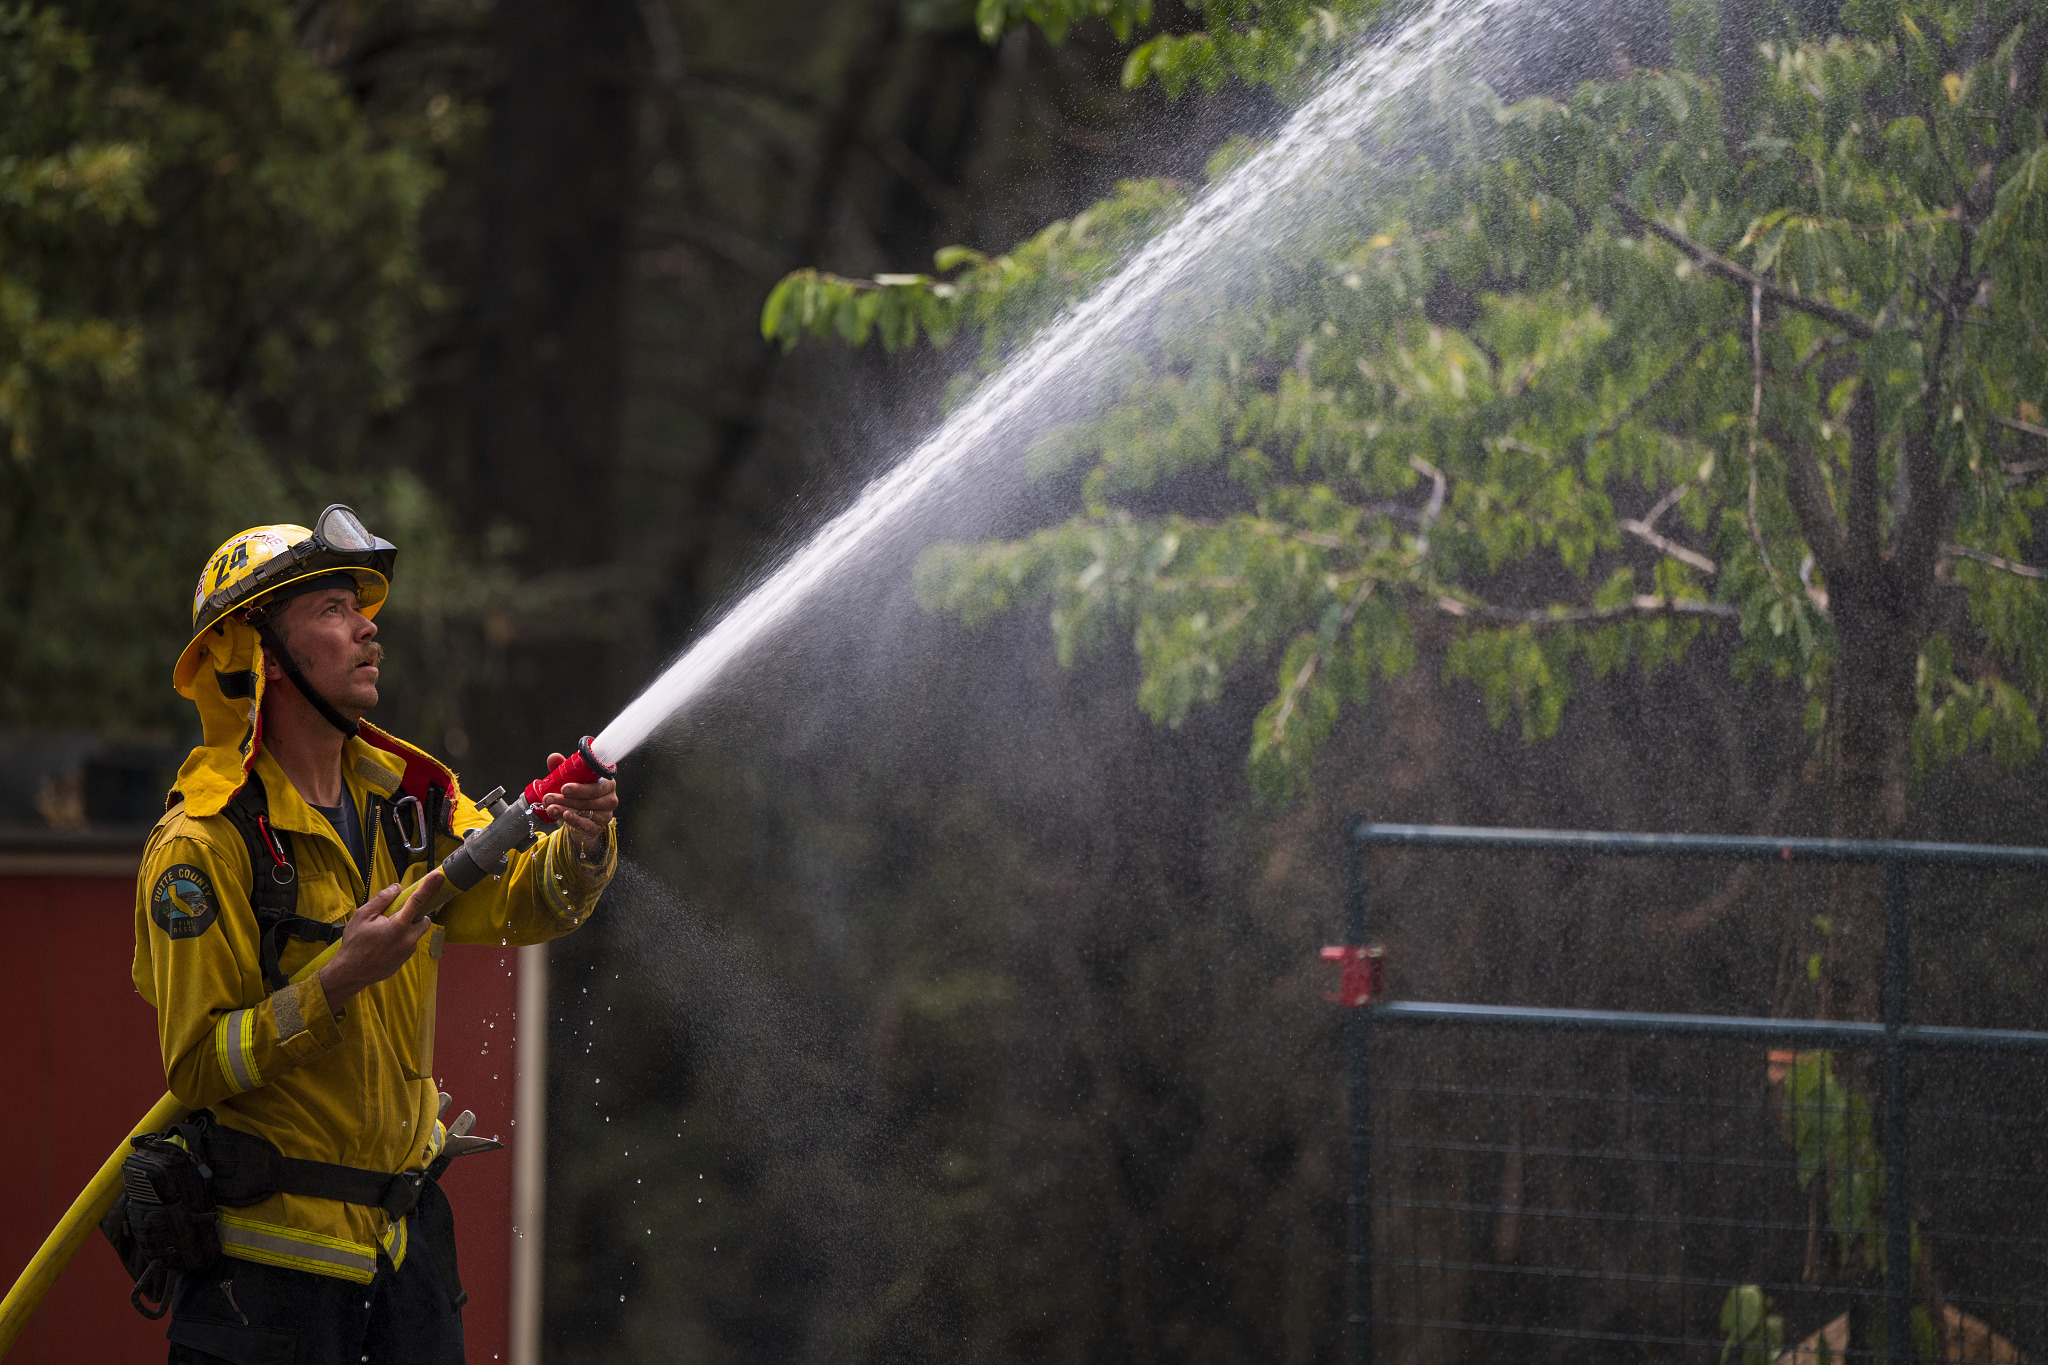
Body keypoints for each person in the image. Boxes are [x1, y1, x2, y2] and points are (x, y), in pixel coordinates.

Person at [130, 505, 619, 1363]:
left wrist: (580, 846)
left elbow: (520, 903)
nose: (367, 629)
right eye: (331, 610)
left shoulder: (405, 799)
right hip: (270, 1283)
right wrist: (336, 980)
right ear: (262, 659)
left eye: (363, 608)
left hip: (407, 1265)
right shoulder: (202, 846)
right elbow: (199, 1065)